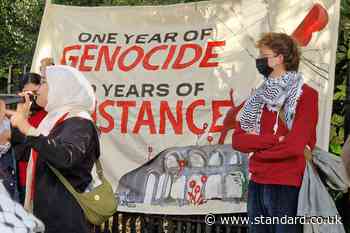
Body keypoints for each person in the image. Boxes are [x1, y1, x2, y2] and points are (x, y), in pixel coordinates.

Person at [232, 32, 318, 233]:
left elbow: (294, 146)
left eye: (263, 55)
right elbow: (238, 140)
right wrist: (273, 140)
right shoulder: (257, 97)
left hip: (286, 184)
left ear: (279, 59)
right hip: (257, 183)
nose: (259, 61)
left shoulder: (306, 95)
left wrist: (258, 150)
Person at [2, 65, 99, 233]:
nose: (38, 89)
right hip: (46, 215)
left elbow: (65, 158)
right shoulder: (53, 121)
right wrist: (21, 120)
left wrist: (28, 129)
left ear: (62, 88)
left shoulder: (79, 121)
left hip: (66, 219)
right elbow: (24, 154)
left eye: (44, 82)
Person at [10, 72, 47, 204]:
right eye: (26, 94)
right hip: (19, 177)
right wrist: (22, 115)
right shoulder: (20, 112)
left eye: (34, 93)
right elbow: (14, 144)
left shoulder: (48, 114)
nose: (30, 98)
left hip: (38, 180)